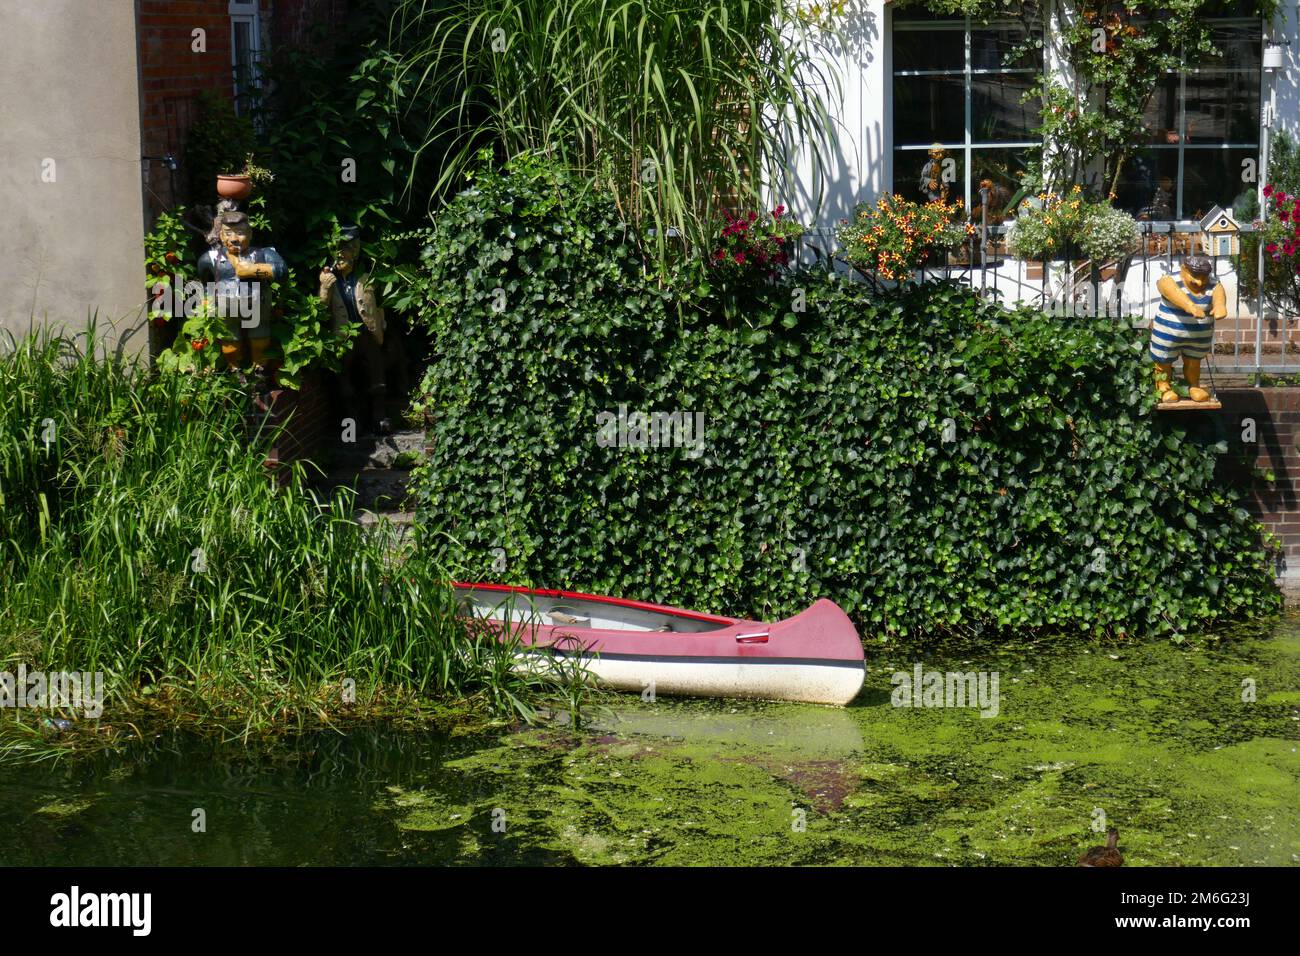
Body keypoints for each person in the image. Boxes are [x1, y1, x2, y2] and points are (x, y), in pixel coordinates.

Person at [319, 226, 402, 432]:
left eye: (345, 249)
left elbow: (381, 303)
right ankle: (350, 423)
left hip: (367, 333)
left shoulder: (367, 276)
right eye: (337, 250)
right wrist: (324, 288)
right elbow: (320, 310)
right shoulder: (330, 280)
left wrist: (381, 325)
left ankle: (380, 417)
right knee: (345, 377)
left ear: (355, 252)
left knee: (376, 372)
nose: (340, 255)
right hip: (343, 335)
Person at [196, 209, 286, 368]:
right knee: (230, 343)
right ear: (221, 236)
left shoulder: (263, 254)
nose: (234, 239)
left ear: (250, 234)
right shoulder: (210, 258)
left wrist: (253, 270)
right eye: (228, 233)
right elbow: (205, 281)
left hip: (257, 307)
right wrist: (206, 299)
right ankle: (234, 371)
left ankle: (259, 371)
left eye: (240, 233)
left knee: (260, 340)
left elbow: (281, 271)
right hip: (226, 310)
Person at [1151, 255, 1226, 404]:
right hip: (1168, 335)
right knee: (1163, 360)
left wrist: (1219, 306)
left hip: (1198, 337)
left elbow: (1219, 295)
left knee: (1194, 361)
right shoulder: (1169, 280)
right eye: (1195, 276)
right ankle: (1163, 385)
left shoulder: (1213, 284)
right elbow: (1170, 291)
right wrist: (1189, 306)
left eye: (1204, 277)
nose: (1199, 282)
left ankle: (1193, 386)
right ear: (1184, 270)